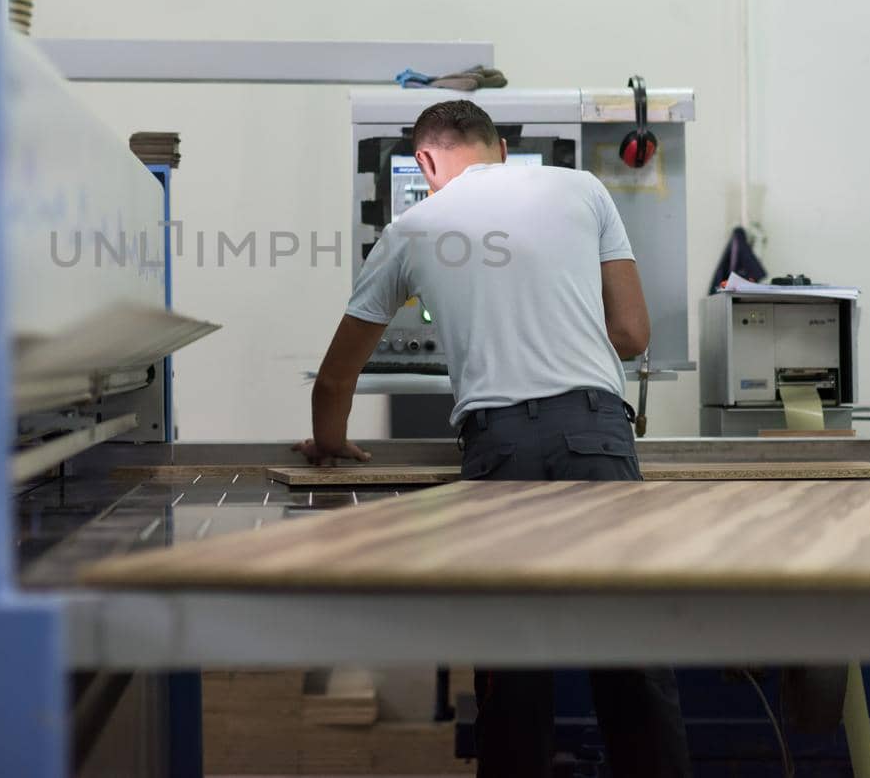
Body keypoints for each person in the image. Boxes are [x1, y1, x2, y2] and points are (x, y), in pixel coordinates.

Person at [295, 98, 692, 777]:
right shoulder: (583, 188)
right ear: (500, 146)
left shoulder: (413, 227)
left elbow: (336, 379)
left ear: (425, 162)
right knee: (632, 665)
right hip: (596, 435)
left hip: (501, 448)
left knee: (513, 679)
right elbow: (632, 335)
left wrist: (329, 443)